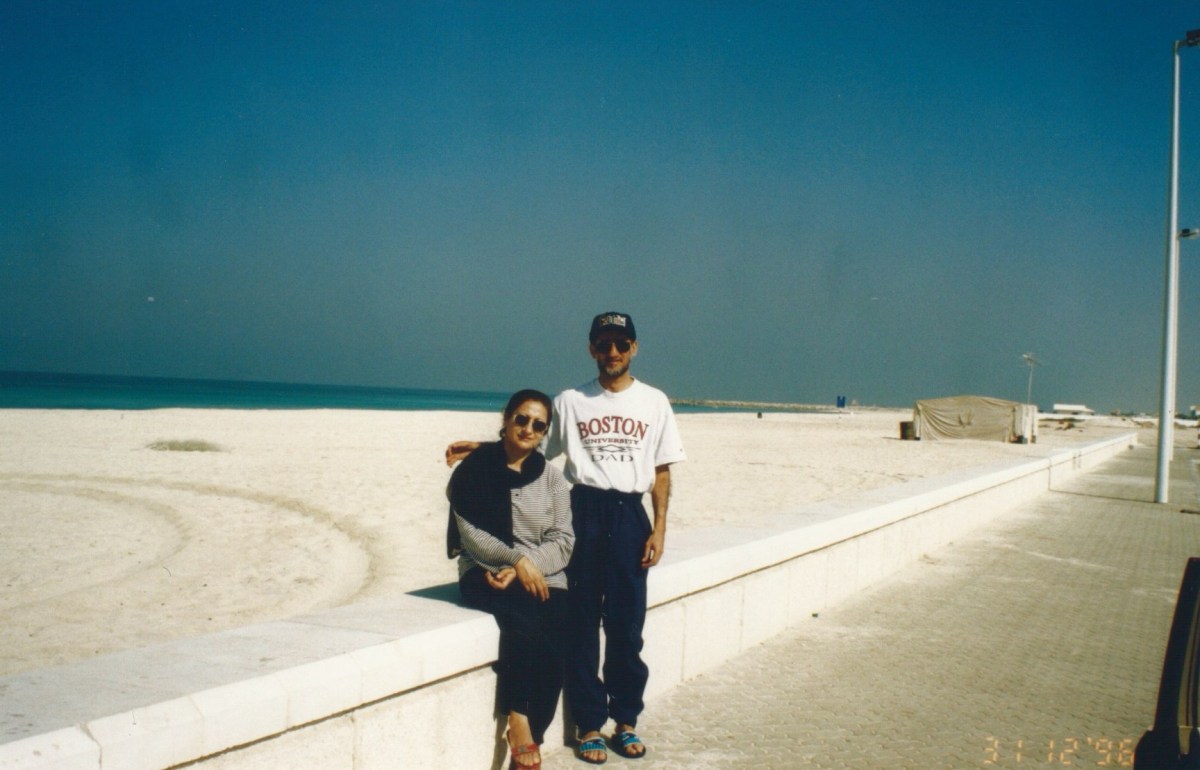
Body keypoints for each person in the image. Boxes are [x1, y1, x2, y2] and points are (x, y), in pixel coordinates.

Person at [448, 312, 685, 765]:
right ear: (591, 348)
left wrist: (659, 528)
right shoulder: (572, 400)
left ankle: (626, 720)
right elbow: (530, 442)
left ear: (633, 348)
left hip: (630, 514)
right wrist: (483, 448)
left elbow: (661, 470)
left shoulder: (654, 402)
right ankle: (590, 725)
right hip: (585, 510)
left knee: (627, 625)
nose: (612, 352)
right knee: (581, 623)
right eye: (603, 343)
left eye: (620, 344)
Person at [447, 389, 574, 770]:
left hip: (541, 572)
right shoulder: (472, 471)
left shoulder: (552, 479)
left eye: (539, 425)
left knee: (560, 631)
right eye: (521, 419)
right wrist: (514, 561)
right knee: (523, 619)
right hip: (483, 569)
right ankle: (518, 719)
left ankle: (532, 736)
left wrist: (526, 565)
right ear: (506, 418)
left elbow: (563, 540)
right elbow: (470, 533)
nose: (528, 429)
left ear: (545, 432)